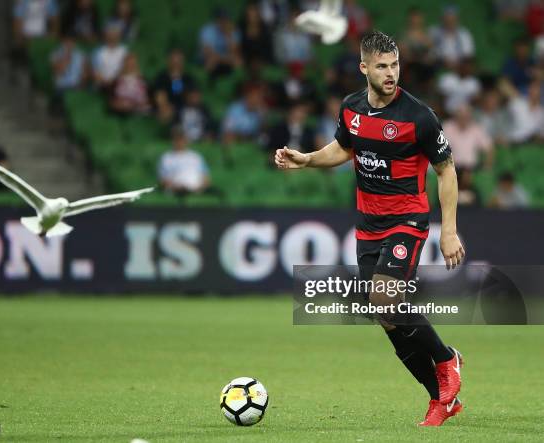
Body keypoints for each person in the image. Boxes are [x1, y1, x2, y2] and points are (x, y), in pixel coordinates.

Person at [275, 31, 465, 427]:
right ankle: (440, 399)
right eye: (382, 66)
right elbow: (344, 148)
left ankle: (446, 360)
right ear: (364, 68)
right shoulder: (351, 109)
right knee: (386, 316)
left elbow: (446, 172)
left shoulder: (419, 116)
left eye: (395, 65)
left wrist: (448, 231)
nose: (391, 73)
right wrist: (307, 159)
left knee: (384, 297)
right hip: (368, 225)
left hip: (407, 220)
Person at [158, 126, 210, 195]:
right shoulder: (166, 157)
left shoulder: (196, 156)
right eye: (177, 138)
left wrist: (199, 188)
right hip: (176, 192)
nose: (180, 141)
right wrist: (176, 188)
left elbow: (206, 179)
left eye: (182, 138)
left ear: (186, 140)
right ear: (173, 140)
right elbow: (163, 180)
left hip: (196, 192)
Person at [443, 104, 494, 172]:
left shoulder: (476, 128)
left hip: (472, 169)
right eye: (461, 116)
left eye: (466, 116)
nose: (464, 119)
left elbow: (489, 148)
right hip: (452, 169)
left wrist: (487, 165)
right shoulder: (447, 127)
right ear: (456, 116)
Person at [199, 8, 242, 79]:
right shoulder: (207, 30)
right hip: (210, 58)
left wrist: (228, 35)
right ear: (216, 19)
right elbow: (207, 52)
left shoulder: (234, 31)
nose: (223, 22)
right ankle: (207, 83)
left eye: (225, 19)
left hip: (225, 58)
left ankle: (237, 84)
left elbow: (235, 52)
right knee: (211, 60)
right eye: (221, 19)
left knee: (238, 61)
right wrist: (223, 58)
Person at [91, 21, 128, 89]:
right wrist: (107, 83)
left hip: (119, 85)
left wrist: (114, 82)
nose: (113, 36)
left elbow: (126, 69)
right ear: (106, 35)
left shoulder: (124, 51)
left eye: (115, 33)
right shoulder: (97, 52)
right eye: (110, 33)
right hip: (102, 85)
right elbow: (95, 73)